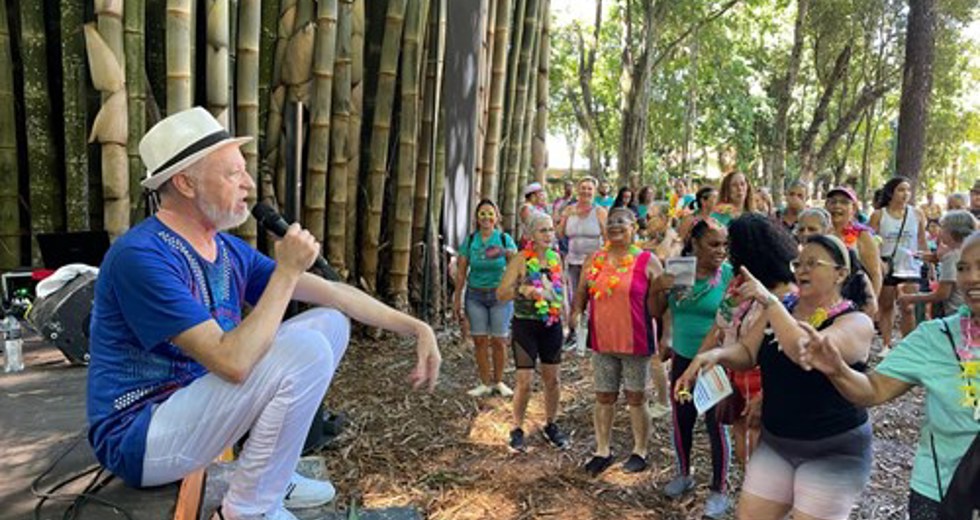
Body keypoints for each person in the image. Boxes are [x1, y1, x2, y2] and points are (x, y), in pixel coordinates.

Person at [86, 108, 441, 520]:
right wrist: (288, 271)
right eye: (233, 173)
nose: (249, 184)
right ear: (185, 183)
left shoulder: (226, 249)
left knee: (329, 321)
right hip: (140, 437)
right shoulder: (141, 256)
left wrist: (416, 327)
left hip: (197, 412)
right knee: (305, 348)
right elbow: (232, 362)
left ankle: (270, 476)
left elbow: (334, 294)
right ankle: (247, 511)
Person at [676, 234, 875, 520]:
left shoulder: (855, 322)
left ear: (840, 274)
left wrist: (769, 301)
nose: (802, 270)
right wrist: (716, 356)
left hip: (833, 450)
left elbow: (804, 352)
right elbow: (747, 352)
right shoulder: (785, 308)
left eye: (813, 263)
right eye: (798, 262)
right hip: (778, 442)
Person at [800, 230, 980, 520]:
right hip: (941, 495)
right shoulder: (936, 337)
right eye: (963, 267)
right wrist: (837, 370)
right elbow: (873, 390)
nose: (971, 277)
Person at [572, 208, 664, 476]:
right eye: (610, 222)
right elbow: (581, 292)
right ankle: (603, 449)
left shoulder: (648, 260)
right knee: (603, 396)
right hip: (602, 339)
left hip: (635, 340)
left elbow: (663, 303)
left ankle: (640, 450)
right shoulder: (595, 259)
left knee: (636, 397)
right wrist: (576, 311)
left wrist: (666, 336)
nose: (614, 226)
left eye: (620, 222)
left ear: (634, 226)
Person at [656, 217, 735, 519]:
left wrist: (708, 357)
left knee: (715, 423)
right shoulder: (679, 270)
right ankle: (683, 473)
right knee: (682, 417)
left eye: (724, 245)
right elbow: (659, 310)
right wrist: (657, 288)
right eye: (714, 244)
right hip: (682, 357)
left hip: (715, 360)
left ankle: (719, 489)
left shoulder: (730, 276)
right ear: (695, 244)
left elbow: (726, 321)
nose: (721, 251)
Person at [497, 214, 570, 453]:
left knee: (553, 379)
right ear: (530, 235)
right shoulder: (520, 260)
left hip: (551, 324)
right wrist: (522, 290)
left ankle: (551, 424)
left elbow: (562, 289)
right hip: (525, 324)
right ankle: (517, 427)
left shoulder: (555, 257)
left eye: (550, 230)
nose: (549, 234)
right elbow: (501, 293)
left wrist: (567, 317)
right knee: (525, 382)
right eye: (542, 231)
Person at [453, 199, 517, 397]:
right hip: (475, 295)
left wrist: (504, 253)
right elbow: (462, 272)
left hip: (500, 296)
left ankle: (498, 381)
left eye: (490, 213)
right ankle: (484, 383)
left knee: (499, 340)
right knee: (480, 340)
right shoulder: (471, 241)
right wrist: (457, 298)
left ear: (497, 217)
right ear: (477, 218)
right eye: (482, 214)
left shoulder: (505, 239)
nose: (486, 217)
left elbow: (517, 265)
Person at [871, 176, 929, 353]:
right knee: (886, 306)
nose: (906, 194)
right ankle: (886, 344)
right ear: (891, 192)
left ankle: (908, 346)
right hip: (887, 265)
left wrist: (929, 262)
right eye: (901, 190)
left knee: (908, 306)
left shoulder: (917, 214)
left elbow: (921, 240)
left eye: (908, 190)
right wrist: (876, 263)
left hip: (910, 265)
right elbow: (871, 242)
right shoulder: (879, 215)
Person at [797, 206, 879, 318]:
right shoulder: (793, 257)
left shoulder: (846, 258)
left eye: (812, 229)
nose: (806, 234)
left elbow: (870, 305)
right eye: (801, 229)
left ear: (828, 230)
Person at [898, 210, 978, 319]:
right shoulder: (967, 253)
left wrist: (911, 298)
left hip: (956, 315)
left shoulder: (952, 257)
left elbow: (942, 294)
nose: (940, 232)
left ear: (952, 232)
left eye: (943, 228)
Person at [558, 177, 608, 346]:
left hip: (594, 262)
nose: (586, 191)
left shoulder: (600, 211)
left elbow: (607, 237)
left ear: (594, 192)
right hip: (573, 260)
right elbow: (560, 234)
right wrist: (563, 217)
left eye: (589, 189)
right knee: (574, 297)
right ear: (578, 190)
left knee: (594, 298)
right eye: (583, 188)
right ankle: (573, 333)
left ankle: (593, 335)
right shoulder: (569, 210)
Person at [824, 186, 882, 304]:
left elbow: (876, 274)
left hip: (853, 299)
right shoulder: (820, 232)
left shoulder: (862, 235)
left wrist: (872, 305)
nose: (837, 206)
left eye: (844, 202)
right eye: (833, 202)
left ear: (854, 208)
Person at [519, 182, 549, 247]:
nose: (541, 197)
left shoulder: (538, 208)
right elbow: (529, 227)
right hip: (530, 242)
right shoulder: (526, 208)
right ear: (533, 196)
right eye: (539, 195)